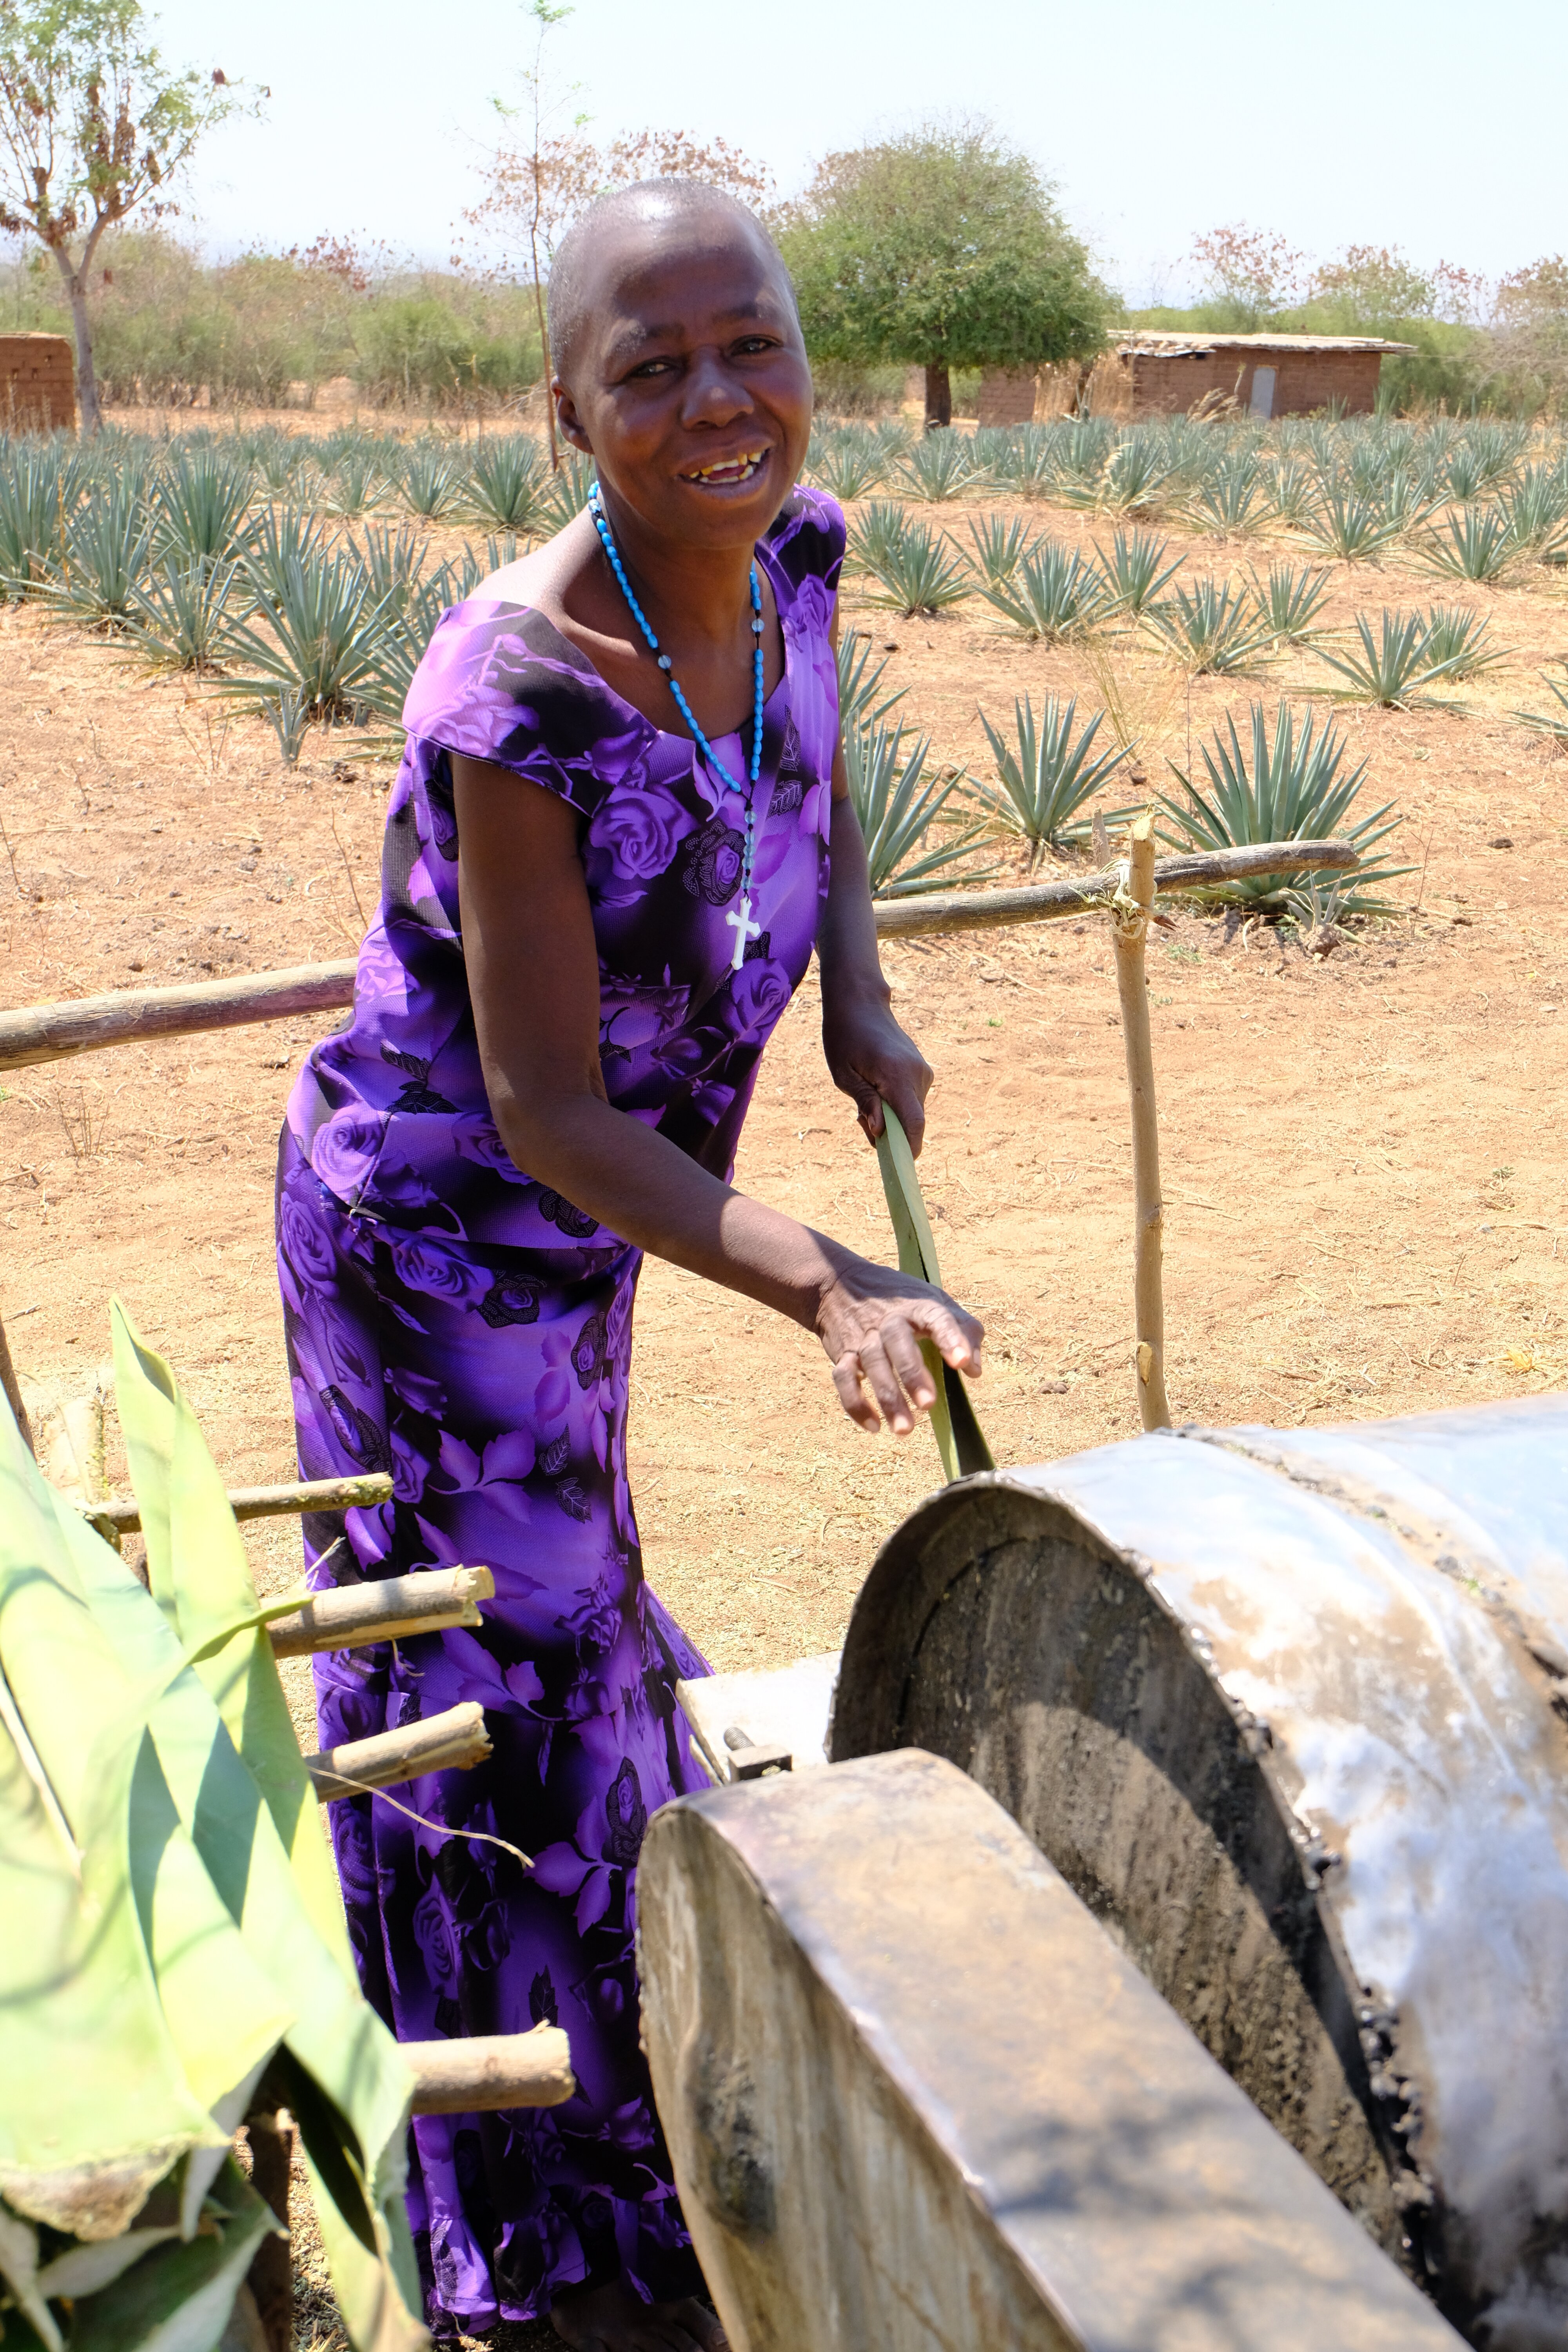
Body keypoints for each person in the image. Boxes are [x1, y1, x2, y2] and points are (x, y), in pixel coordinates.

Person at [275, 178, 984, 2352]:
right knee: (497, 1653)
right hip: (448, 1242)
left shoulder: (799, 554)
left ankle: (626, 2063)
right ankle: (533, 2189)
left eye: (748, 340)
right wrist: (827, 1283)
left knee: (570, 1609)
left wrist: (855, 990)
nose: (716, 397)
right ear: (567, 407)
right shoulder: (514, 695)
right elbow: (542, 1112)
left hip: (605, 1227)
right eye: (649, 365)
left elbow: (815, 772)